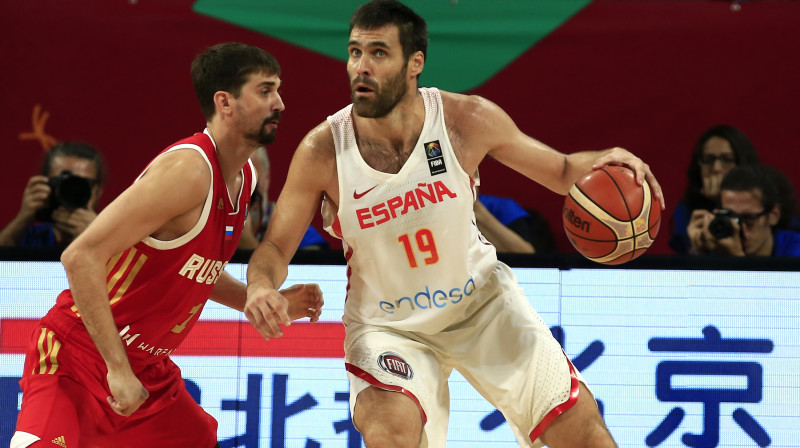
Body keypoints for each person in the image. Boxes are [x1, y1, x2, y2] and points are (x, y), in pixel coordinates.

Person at [244, 1, 663, 447]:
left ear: (414, 63)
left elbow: (560, 171)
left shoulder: (465, 120)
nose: (360, 67)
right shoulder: (323, 150)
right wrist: (259, 286)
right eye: (354, 52)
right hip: (390, 326)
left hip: (482, 305)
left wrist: (604, 160)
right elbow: (273, 249)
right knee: (389, 434)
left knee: (586, 436)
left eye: (379, 53)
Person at [11, 42, 323, 448]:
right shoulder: (189, 171)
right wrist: (117, 368)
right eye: (265, 91)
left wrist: (260, 298)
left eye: (277, 90)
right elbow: (80, 256)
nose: (279, 103)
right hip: (81, 355)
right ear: (225, 102)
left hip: (148, 370)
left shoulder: (243, 177)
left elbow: (197, 270)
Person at [669, 124, 760, 254]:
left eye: (727, 159)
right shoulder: (686, 211)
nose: (716, 168)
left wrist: (724, 202)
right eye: (709, 160)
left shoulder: (762, 209)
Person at [0, 142, 105, 248]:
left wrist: (98, 237)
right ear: (45, 183)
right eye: (64, 182)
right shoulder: (27, 237)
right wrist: (22, 219)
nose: (71, 190)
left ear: (98, 190)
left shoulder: (113, 241)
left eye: (81, 184)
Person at [687, 164, 800, 256]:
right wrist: (699, 256)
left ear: (773, 215)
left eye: (748, 219)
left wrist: (737, 259)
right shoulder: (717, 247)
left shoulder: (795, 250)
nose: (738, 228)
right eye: (731, 217)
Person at [238, 146, 330, 250]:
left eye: (250, 175)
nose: (240, 186)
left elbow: (314, 264)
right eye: (235, 176)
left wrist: (248, 244)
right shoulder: (217, 224)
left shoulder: (296, 232)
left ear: (267, 178)